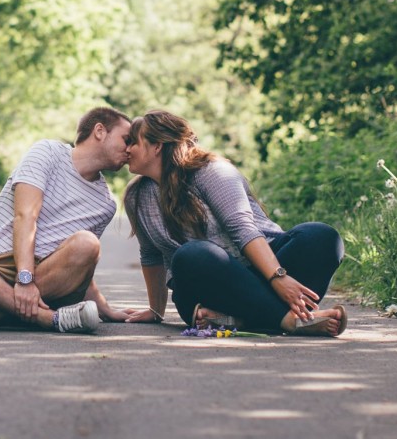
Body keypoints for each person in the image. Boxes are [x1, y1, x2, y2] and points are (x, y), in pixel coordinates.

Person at [122, 110, 347, 336]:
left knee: (322, 238)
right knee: (191, 255)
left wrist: (278, 277)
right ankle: (289, 320)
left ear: (157, 146)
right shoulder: (137, 196)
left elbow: (242, 228)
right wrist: (155, 310)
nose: (127, 149)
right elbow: (151, 255)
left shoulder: (211, 171)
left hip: (265, 266)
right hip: (211, 286)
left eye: (133, 142)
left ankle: (240, 319)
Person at [0, 107, 136, 333]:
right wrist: (24, 280)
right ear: (99, 131)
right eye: (126, 139)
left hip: (47, 280)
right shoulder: (47, 152)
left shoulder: (105, 204)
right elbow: (25, 216)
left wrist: (104, 308)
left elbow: (81, 265)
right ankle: (46, 318)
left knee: (88, 244)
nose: (130, 149)